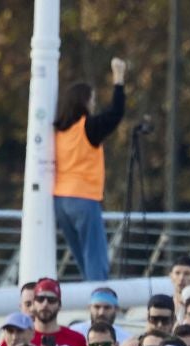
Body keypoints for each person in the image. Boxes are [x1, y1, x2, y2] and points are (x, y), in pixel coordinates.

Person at [52, 57, 129, 281]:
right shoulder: (87, 127)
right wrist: (119, 80)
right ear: (84, 102)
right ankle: (100, 298)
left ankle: (92, 295)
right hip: (83, 197)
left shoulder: (60, 131)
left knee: (81, 257)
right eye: (92, 100)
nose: (94, 104)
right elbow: (115, 113)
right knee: (95, 257)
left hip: (60, 200)